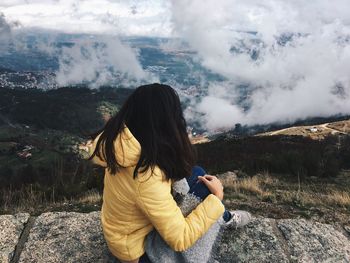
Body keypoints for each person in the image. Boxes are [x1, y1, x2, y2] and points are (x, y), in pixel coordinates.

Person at [88, 83, 251, 263]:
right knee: (207, 190)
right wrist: (217, 197)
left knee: (196, 173)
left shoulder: (121, 145)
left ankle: (223, 216)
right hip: (135, 251)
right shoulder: (146, 176)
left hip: (122, 232)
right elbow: (180, 238)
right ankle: (223, 217)